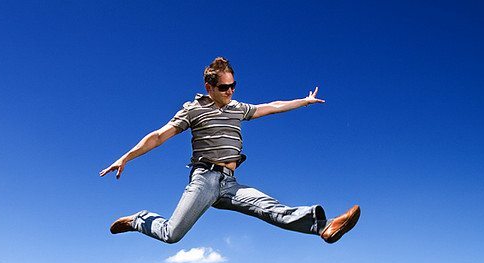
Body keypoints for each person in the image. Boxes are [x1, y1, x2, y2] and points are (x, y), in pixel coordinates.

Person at [100, 57, 360, 244]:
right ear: (209, 88)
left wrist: (304, 101)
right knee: (172, 234)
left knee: (270, 208)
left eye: (233, 85)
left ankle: (324, 226)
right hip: (204, 180)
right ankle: (138, 220)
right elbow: (158, 136)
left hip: (229, 184)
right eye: (224, 87)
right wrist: (126, 157)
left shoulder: (237, 108)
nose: (230, 91)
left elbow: (272, 106)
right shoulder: (193, 110)